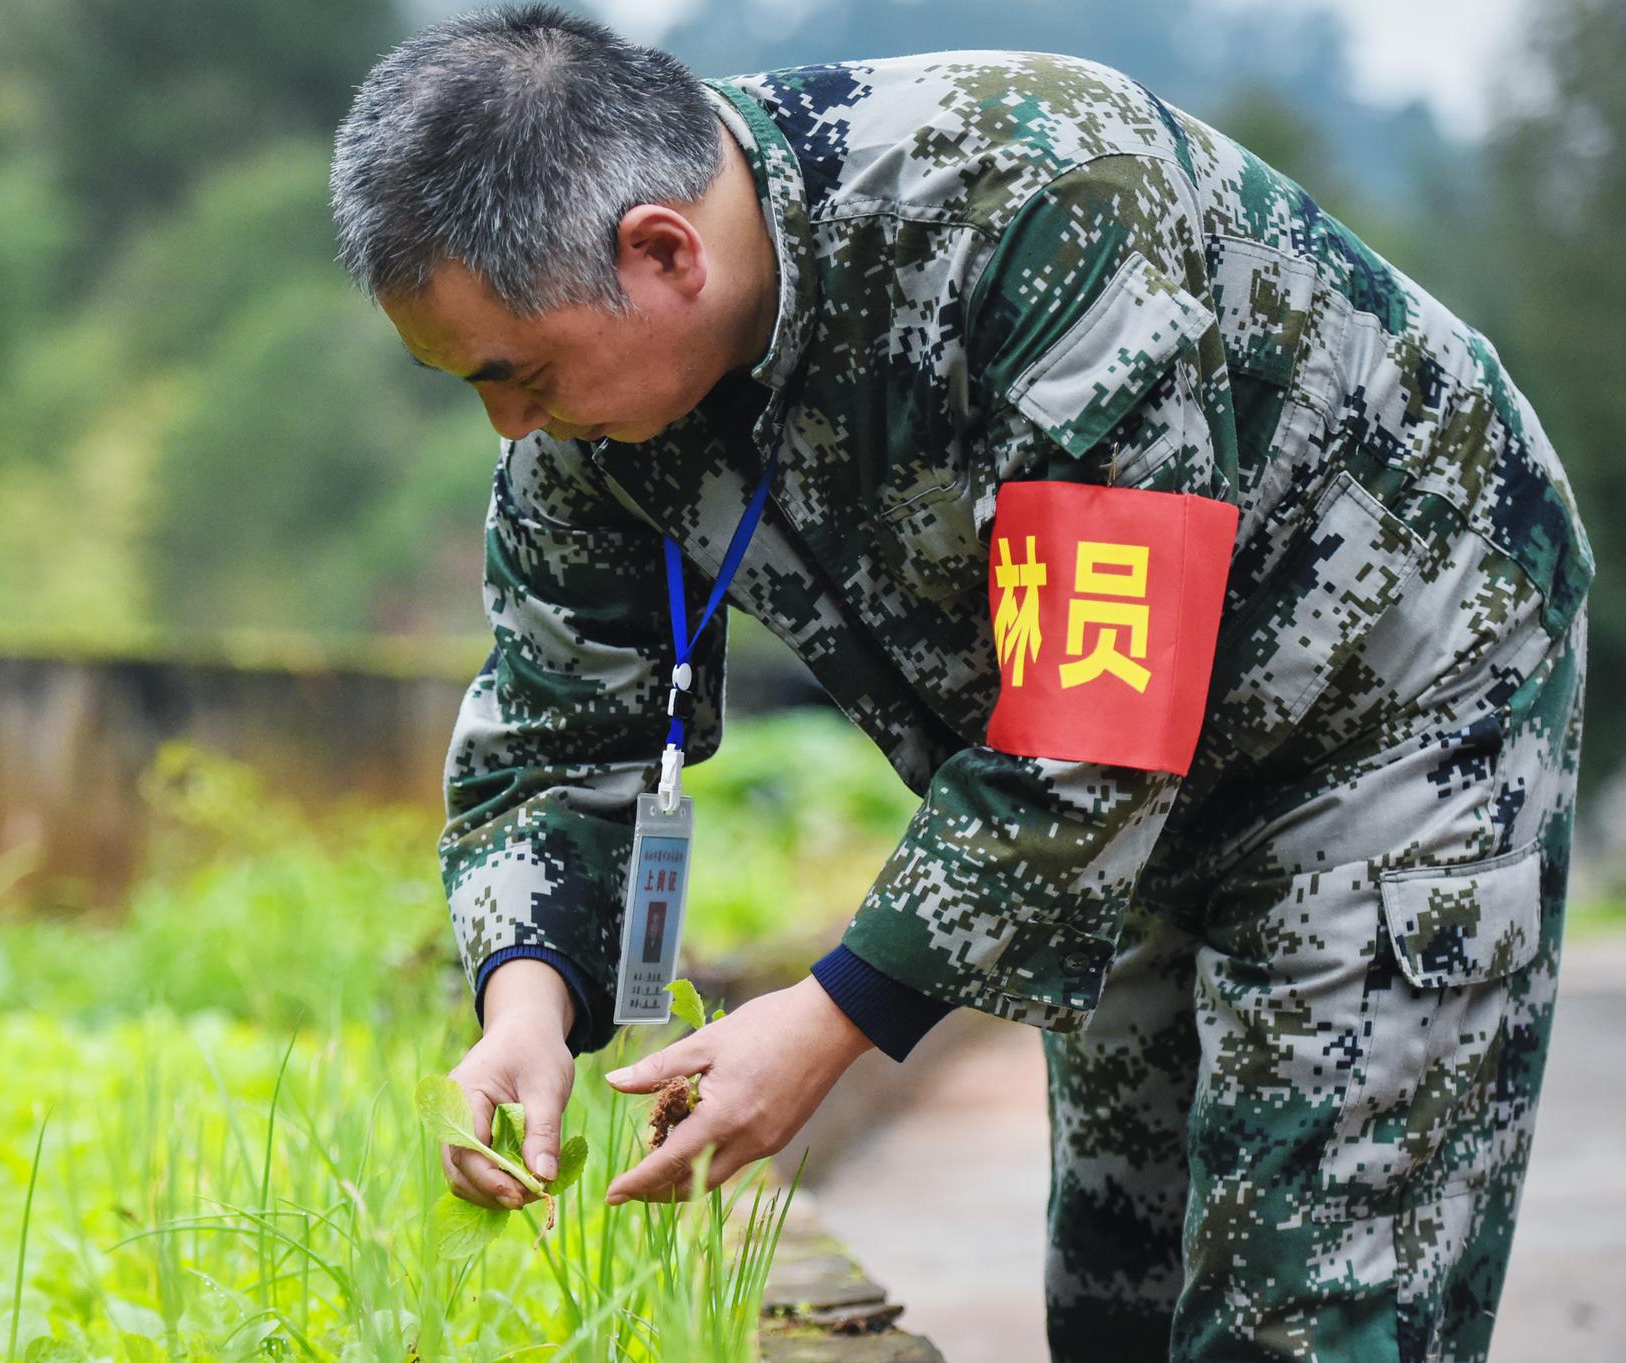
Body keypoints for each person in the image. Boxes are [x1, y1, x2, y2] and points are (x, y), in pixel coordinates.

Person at [327, 7, 1592, 1359]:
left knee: (1306, 1312)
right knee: (1122, 1298)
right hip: (1098, 772)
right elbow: (553, 730)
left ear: (661, 253)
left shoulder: (1047, 201)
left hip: (1386, 703)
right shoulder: (584, 423)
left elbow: (1096, 714)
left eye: (514, 373)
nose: (506, 426)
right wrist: (526, 1008)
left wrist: (829, 1023)